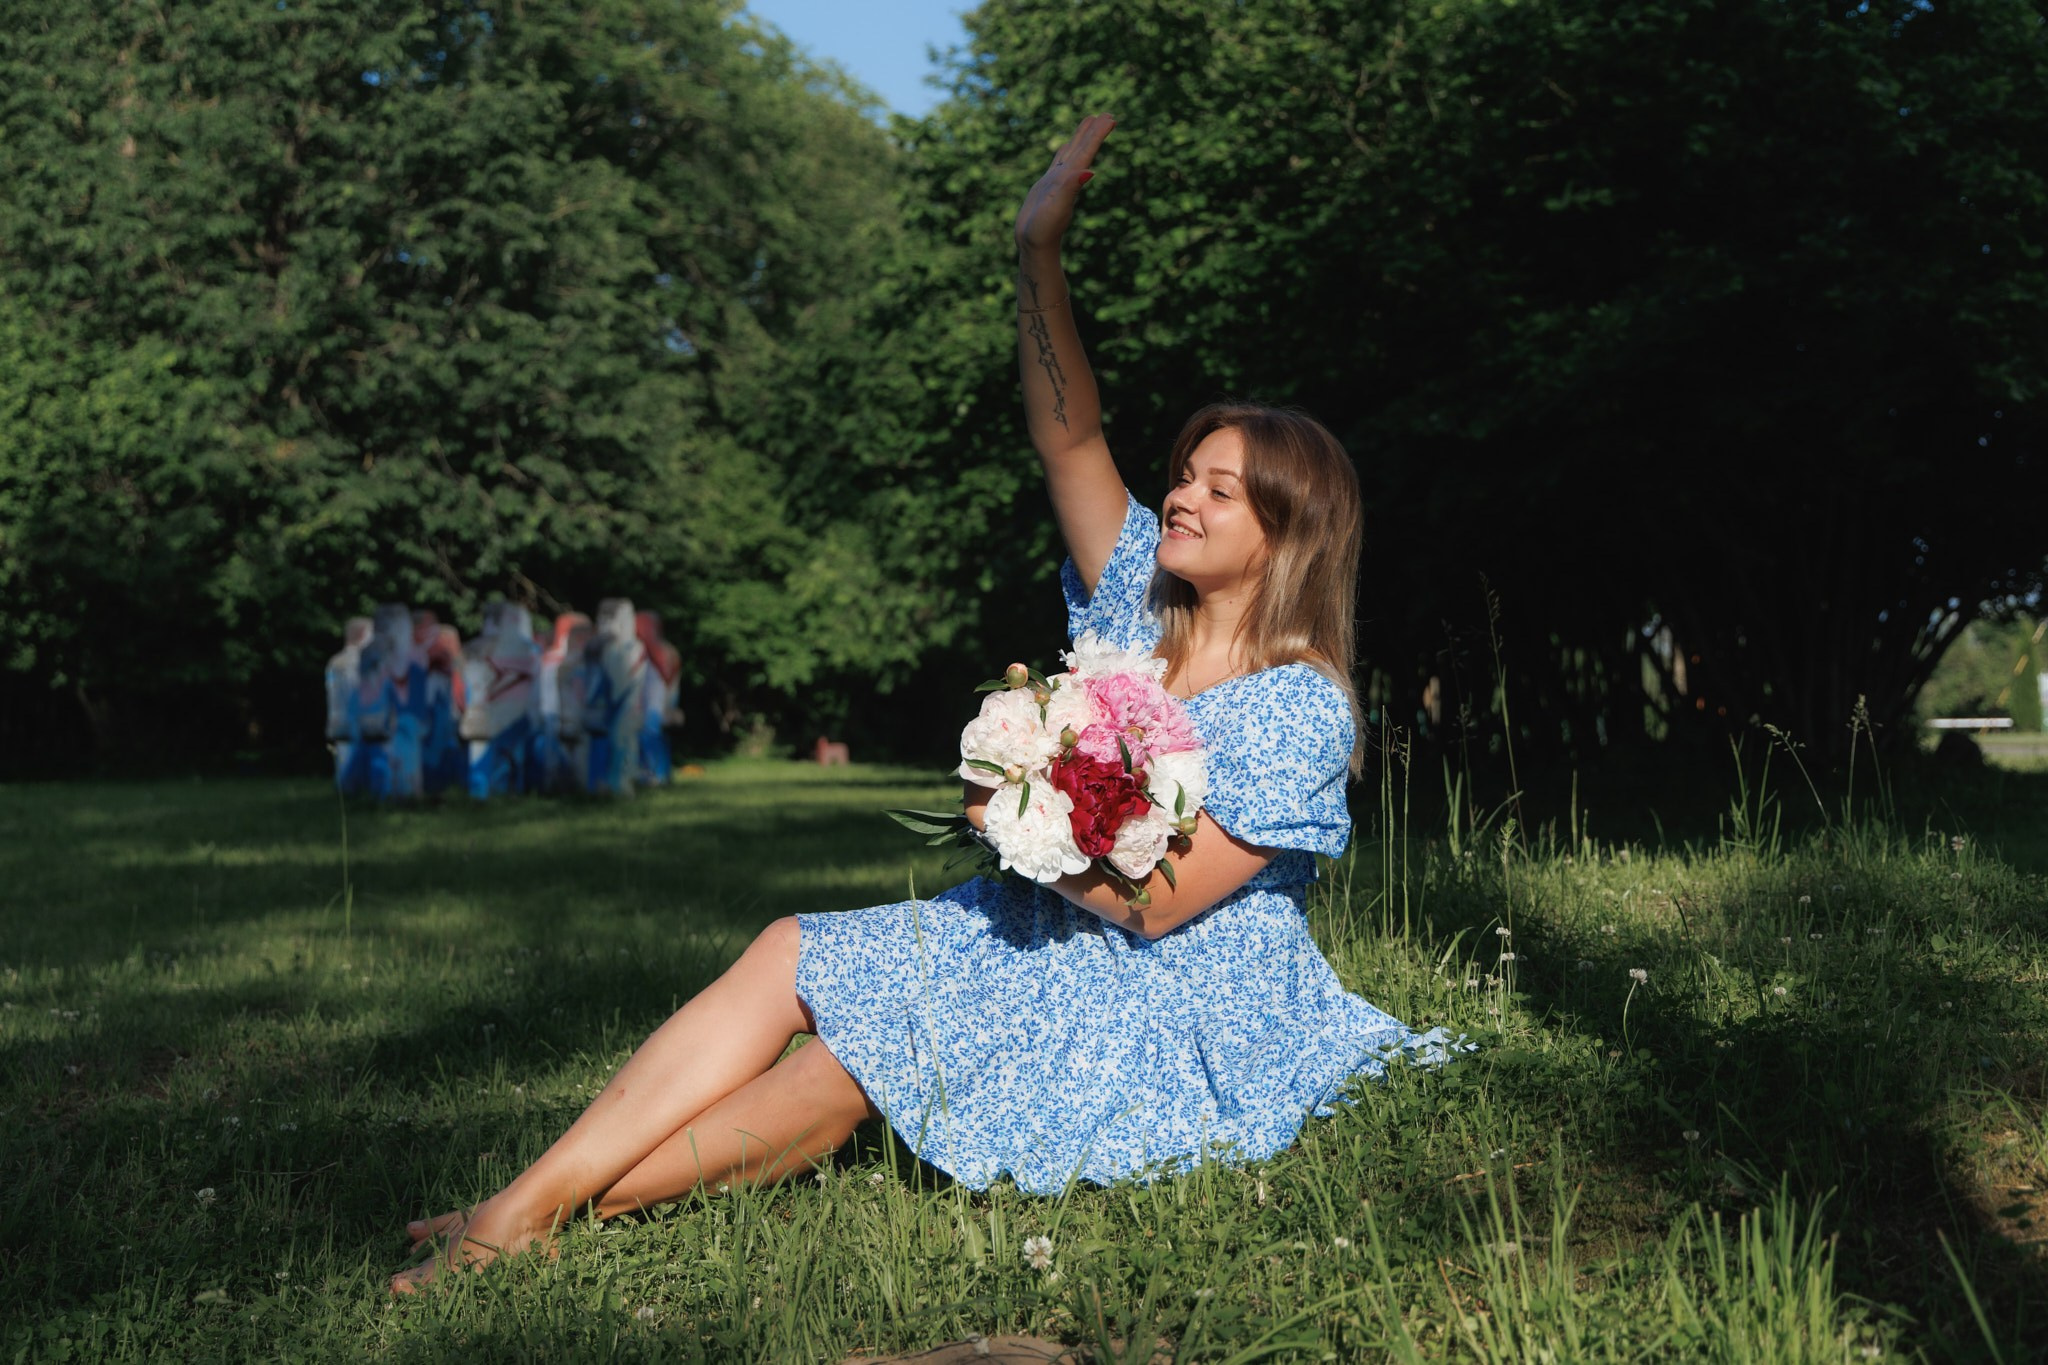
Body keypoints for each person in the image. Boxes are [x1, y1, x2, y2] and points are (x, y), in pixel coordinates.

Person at [392, 116, 1457, 1292]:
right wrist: (1034, 248)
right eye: (1184, 474)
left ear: (1288, 529)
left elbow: (1155, 913)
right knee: (788, 948)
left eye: (1219, 486)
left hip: (1166, 988)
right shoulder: (1127, 603)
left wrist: (1007, 812)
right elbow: (1070, 433)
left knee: (840, 1067)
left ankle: (526, 1218)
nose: (1181, 495)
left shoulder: (1299, 707)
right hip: (1040, 914)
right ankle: (520, 1207)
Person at [635, 610, 683, 786]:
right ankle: (659, 773)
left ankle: (655, 774)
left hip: (654, 705)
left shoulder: (654, 651)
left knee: (651, 736)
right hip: (658, 703)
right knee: (657, 738)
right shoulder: (667, 650)